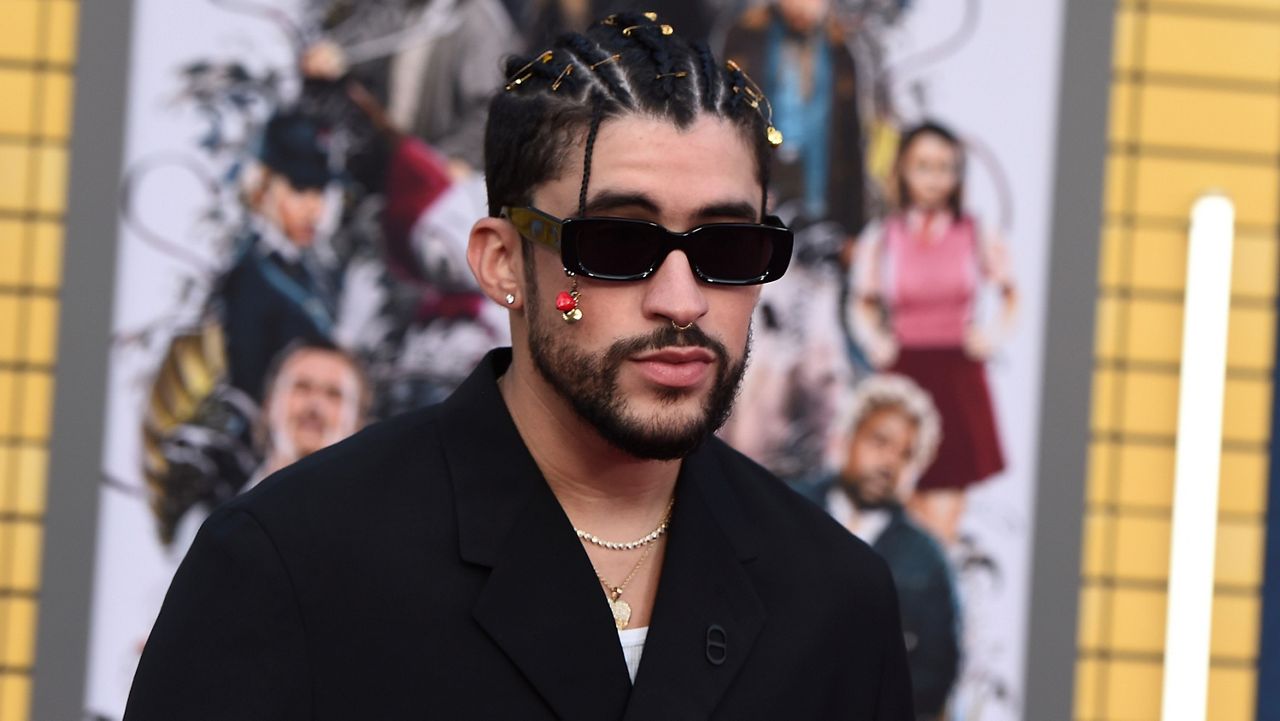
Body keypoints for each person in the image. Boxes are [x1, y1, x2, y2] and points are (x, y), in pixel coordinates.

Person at [124, 13, 913, 719]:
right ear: (502, 263)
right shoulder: (291, 563)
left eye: (728, 249)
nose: (683, 300)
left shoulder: (837, 602)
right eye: (617, 245)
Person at [850, 120, 1018, 546]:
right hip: (904, 377)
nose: (933, 178)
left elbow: (1010, 294)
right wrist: (876, 341)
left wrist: (991, 336)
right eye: (923, 166)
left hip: (957, 377)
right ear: (903, 170)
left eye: (944, 167)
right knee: (899, 494)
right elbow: (862, 301)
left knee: (945, 504)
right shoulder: (883, 237)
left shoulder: (976, 233)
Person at [799, 374, 960, 721]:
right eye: (879, 441)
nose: (889, 463)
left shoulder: (926, 560)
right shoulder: (784, 509)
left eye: (906, 454)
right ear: (847, 438)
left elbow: (936, 673)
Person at [244, 339, 372, 491]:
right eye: (302, 387)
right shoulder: (218, 507)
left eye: (334, 394)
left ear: (358, 422)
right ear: (268, 404)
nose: (315, 405)